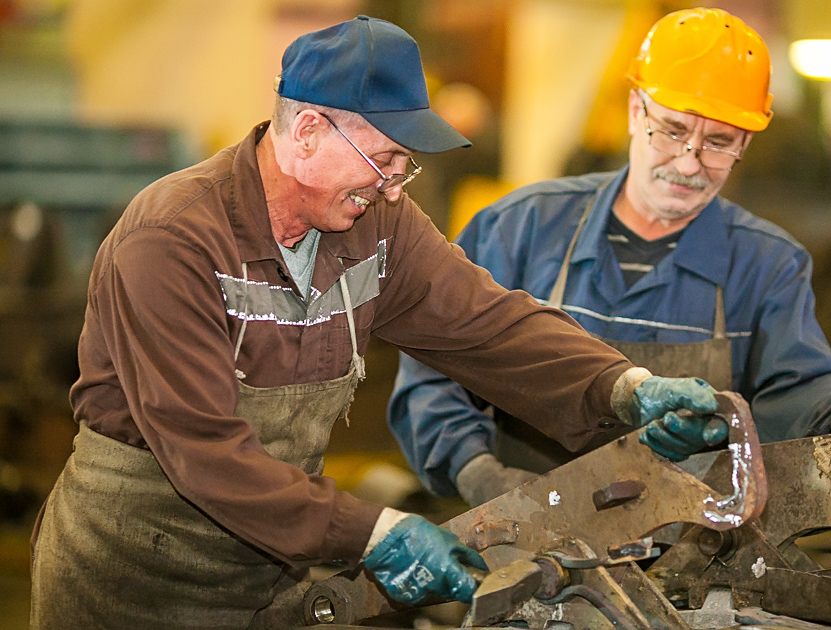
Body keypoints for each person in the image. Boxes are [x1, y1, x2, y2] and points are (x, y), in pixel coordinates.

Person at [29, 15, 739, 629]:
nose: (395, 185)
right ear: (307, 131)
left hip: (272, 568)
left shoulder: (378, 224)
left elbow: (489, 325)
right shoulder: (173, 238)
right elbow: (203, 451)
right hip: (134, 574)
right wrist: (375, 531)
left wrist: (624, 387)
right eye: (386, 159)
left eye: (405, 166)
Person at [388, 8, 831, 508]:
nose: (689, 163)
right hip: (526, 543)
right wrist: (478, 475)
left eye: (719, 141)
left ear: (745, 144)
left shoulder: (768, 264)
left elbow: (800, 381)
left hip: (695, 558)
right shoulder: (522, 228)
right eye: (673, 130)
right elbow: (435, 374)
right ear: (635, 109)